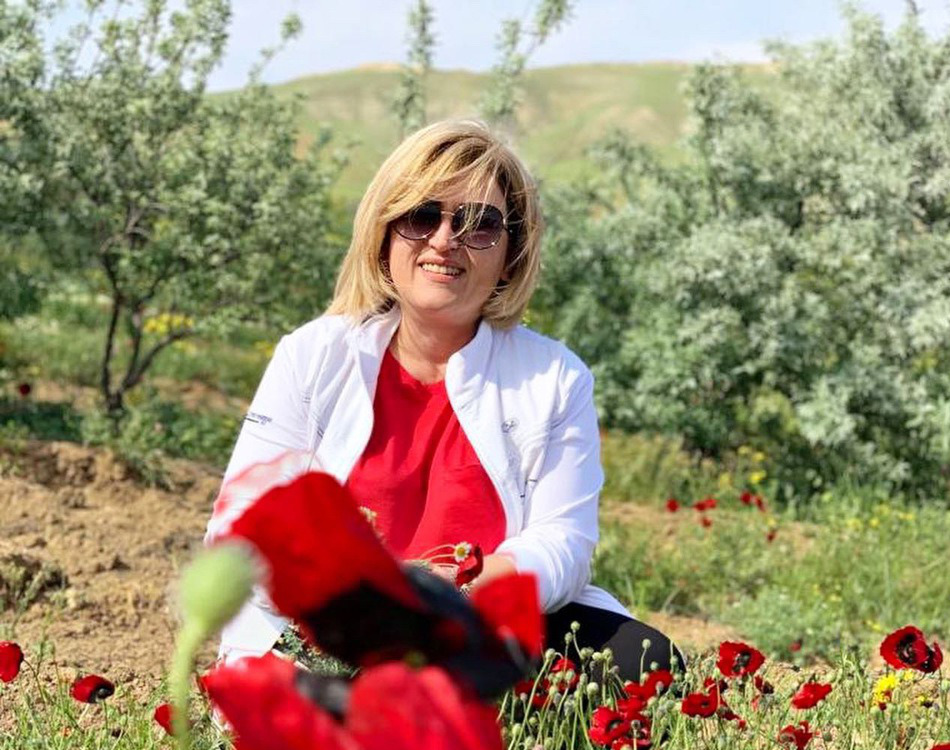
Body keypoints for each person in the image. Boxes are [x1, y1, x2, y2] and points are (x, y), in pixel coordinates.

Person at [206, 118, 684, 682]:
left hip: (481, 622)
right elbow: (241, 525)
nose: (444, 239)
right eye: (421, 215)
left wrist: (457, 590)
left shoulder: (555, 377)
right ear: (385, 234)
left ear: (510, 253)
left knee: (642, 662)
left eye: (479, 224)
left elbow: (564, 543)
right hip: (333, 627)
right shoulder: (313, 356)